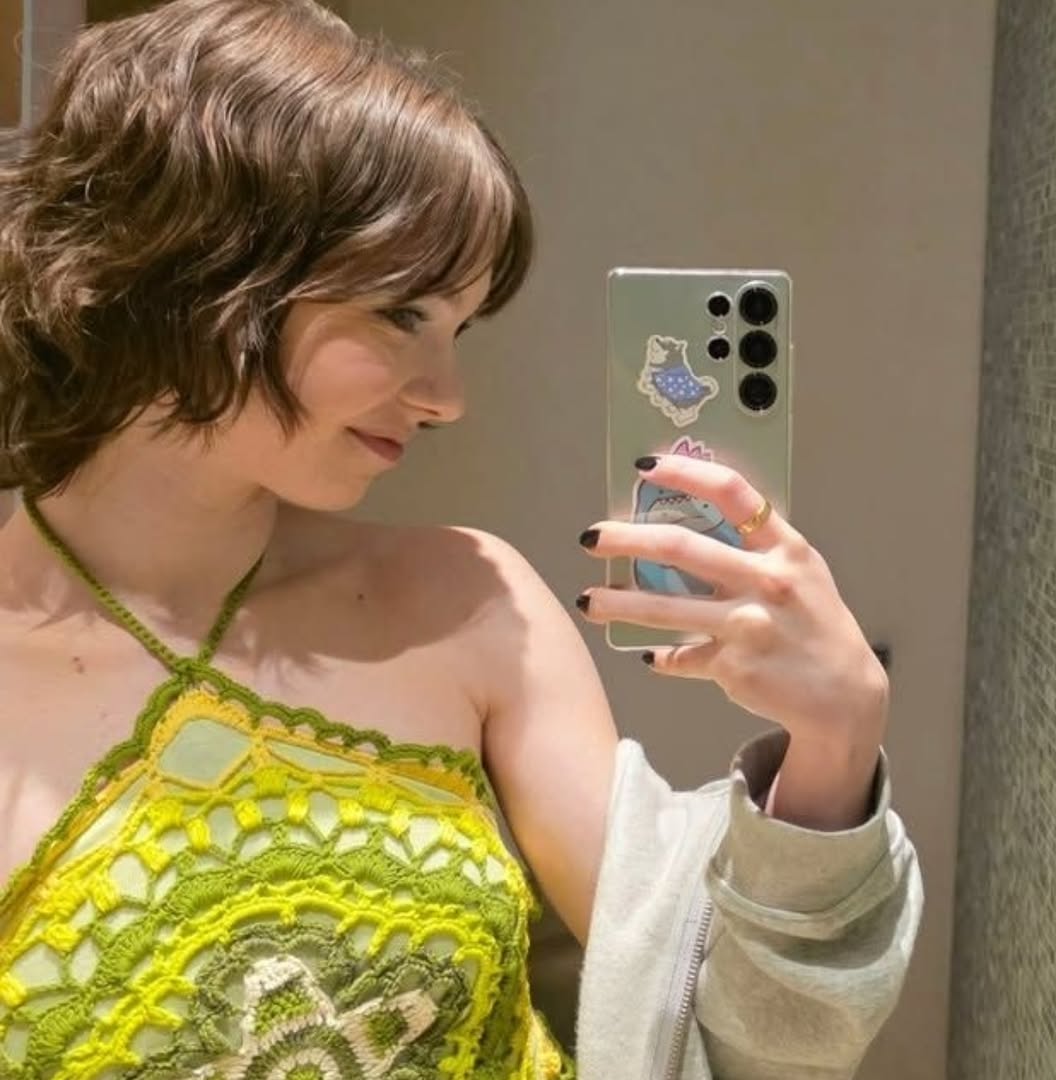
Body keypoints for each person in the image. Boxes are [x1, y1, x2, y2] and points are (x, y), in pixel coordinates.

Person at [0, 2, 922, 1078]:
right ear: (192, 264)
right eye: (402, 313)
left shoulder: (468, 602)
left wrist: (832, 744)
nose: (447, 397)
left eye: (459, 328)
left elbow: (744, 1041)